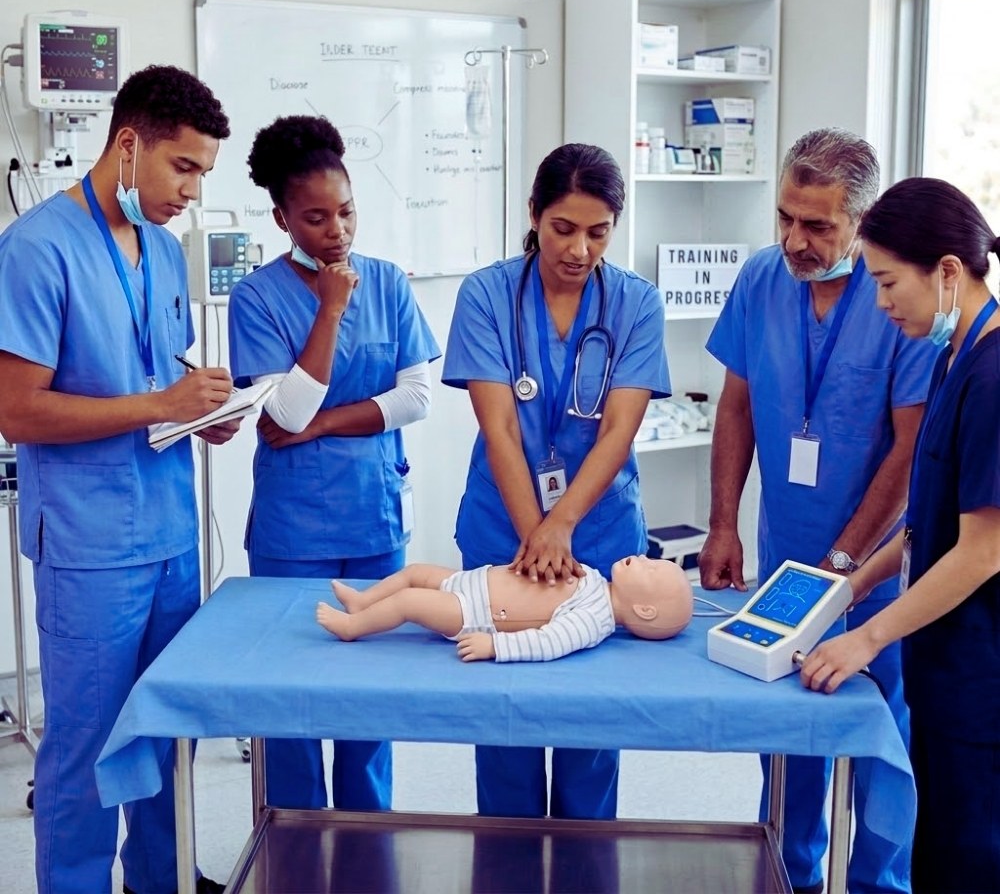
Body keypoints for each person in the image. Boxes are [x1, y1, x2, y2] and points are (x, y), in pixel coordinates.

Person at [0, 65, 236, 894]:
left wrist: (205, 407)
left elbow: (156, 375)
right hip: (89, 544)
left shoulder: (166, 253)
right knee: (89, 745)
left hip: (168, 531)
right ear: (128, 145)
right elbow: (19, 412)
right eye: (184, 167)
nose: (193, 191)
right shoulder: (34, 249)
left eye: (204, 173)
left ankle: (160, 879)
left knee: (172, 731)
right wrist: (158, 402)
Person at [700, 128, 938, 894]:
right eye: (785, 218)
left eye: (818, 226)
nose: (794, 241)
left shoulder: (898, 298)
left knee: (878, 738)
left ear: (861, 225)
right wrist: (724, 521)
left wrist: (846, 564)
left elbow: (910, 453)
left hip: (878, 571)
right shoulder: (760, 279)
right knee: (789, 737)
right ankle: (788, 874)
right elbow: (735, 406)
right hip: (784, 551)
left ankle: (879, 883)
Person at [442, 142, 671, 820]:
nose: (579, 249)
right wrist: (535, 535)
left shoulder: (636, 303)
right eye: (563, 228)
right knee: (506, 713)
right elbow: (502, 428)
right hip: (503, 528)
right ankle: (510, 866)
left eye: (598, 232)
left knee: (591, 720)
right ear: (535, 216)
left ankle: (585, 865)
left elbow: (617, 431)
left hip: (599, 533)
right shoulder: (485, 294)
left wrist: (563, 526)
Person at [228, 114, 440, 813]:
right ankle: (292, 842)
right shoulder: (257, 297)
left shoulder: (387, 281)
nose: (337, 231)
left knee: (369, 698)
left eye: (346, 212)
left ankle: (363, 840)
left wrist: (322, 423)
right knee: (291, 698)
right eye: (315, 217)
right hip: (294, 531)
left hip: (375, 520)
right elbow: (280, 416)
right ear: (282, 216)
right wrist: (328, 311)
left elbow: (415, 397)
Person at [801, 178, 1000, 894]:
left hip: (983, 677)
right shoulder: (954, 359)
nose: (880, 304)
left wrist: (868, 637)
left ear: (948, 271)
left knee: (970, 862)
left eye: (887, 282)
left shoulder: (996, 373)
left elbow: (983, 550)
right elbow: (926, 523)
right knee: (939, 852)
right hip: (946, 672)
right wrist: (846, 588)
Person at [316, 554, 694, 657]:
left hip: (473, 614)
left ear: (645, 610)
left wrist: (496, 646)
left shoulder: (594, 620)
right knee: (415, 571)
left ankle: (353, 628)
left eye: (652, 569)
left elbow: (549, 642)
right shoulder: (597, 584)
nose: (643, 557)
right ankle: (362, 601)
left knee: (409, 601)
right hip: (470, 582)